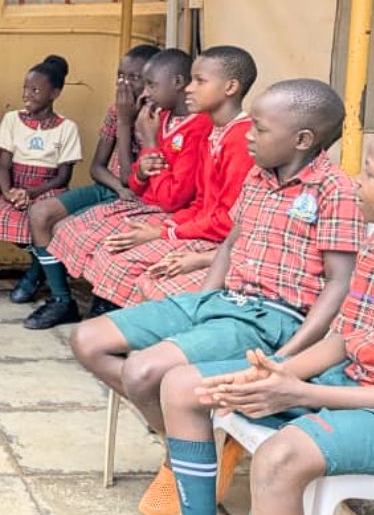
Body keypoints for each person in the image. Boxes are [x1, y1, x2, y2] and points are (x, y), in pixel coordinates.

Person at [70, 79, 363, 515]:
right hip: (223, 299)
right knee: (88, 339)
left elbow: (339, 284)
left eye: (260, 129)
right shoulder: (259, 176)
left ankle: (186, 455)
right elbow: (231, 242)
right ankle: (194, 442)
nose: (248, 135)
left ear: (302, 139)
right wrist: (205, 296)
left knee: (142, 369)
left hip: (272, 317)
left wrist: (290, 354)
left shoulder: (333, 190)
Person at [157, 127, 374, 515]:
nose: (358, 182)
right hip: (347, 382)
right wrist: (277, 375)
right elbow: (342, 339)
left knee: (280, 458)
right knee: (182, 386)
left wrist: (297, 392)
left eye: (370, 173)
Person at [41, 49, 210, 329]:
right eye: (122, 77)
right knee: (68, 228)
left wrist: (146, 138)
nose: (129, 85)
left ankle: (109, 311)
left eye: (146, 82)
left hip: (164, 209)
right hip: (131, 195)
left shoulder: (190, 125)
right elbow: (128, 179)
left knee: (110, 247)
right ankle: (69, 300)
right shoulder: (158, 115)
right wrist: (137, 152)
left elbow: (171, 198)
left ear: (177, 82)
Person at [82, 46, 257, 311]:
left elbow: (227, 221)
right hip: (198, 227)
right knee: (114, 253)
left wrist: (164, 231)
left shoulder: (238, 139)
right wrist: (163, 230)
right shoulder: (217, 133)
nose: (189, 88)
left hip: (220, 242)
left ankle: (131, 338)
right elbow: (201, 202)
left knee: (134, 269)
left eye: (200, 81)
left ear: (230, 87)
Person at [24, 44, 159, 307]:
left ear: (152, 81)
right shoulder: (115, 110)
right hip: (112, 188)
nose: (123, 82)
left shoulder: (155, 117)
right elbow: (97, 167)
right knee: (40, 214)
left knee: (75, 229)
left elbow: (132, 178)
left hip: (142, 198)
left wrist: (126, 122)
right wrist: (118, 188)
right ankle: (61, 299)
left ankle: (98, 297)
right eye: (120, 75)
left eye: (133, 77)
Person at [0, 56, 81, 311]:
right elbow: (4, 165)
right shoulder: (11, 120)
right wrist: (10, 193)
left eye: (36, 90)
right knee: (10, 221)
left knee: (43, 221)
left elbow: (63, 177)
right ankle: (41, 266)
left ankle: (33, 275)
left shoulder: (67, 128)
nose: (27, 95)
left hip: (48, 189)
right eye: (25, 88)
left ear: (55, 93)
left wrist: (30, 193)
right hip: (14, 187)